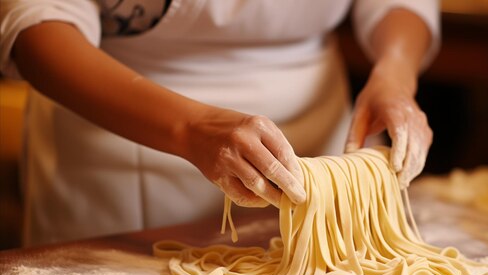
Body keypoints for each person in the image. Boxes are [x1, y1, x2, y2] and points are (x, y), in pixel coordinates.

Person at [0, 0, 439, 246]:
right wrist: (190, 127)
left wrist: (395, 73)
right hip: (128, 139)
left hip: (319, 133)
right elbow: (36, 26)